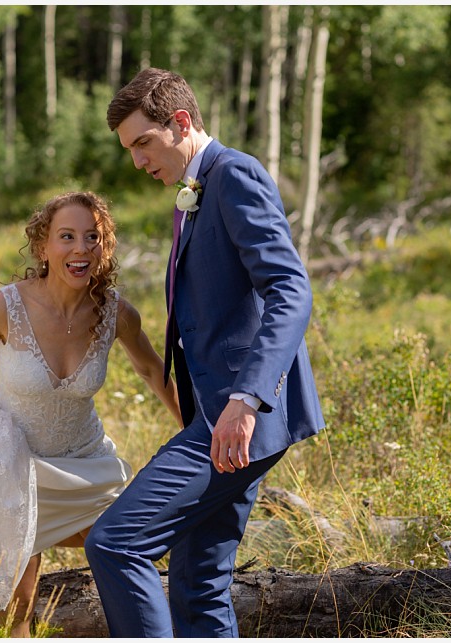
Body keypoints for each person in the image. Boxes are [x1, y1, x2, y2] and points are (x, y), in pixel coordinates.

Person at [84, 67, 325, 637]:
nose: (139, 162)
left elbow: (290, 288)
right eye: (129, 150)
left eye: (143, 143)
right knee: (198, 585)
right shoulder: (193, 192)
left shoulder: (234, 174)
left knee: (116, 544)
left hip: (240, 416)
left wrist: (245, 400)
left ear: (181, 122)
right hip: (217, 417)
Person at [0, 191, 181, 637]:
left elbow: (150, 369)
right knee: (17, 605)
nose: (81, 248)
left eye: (93, 237)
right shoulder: (6, 306)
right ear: (44, 245)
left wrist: (194, 430)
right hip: (18, 468)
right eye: (67, 236)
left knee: (128, 555)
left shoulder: (115, 313)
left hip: (89, 470)